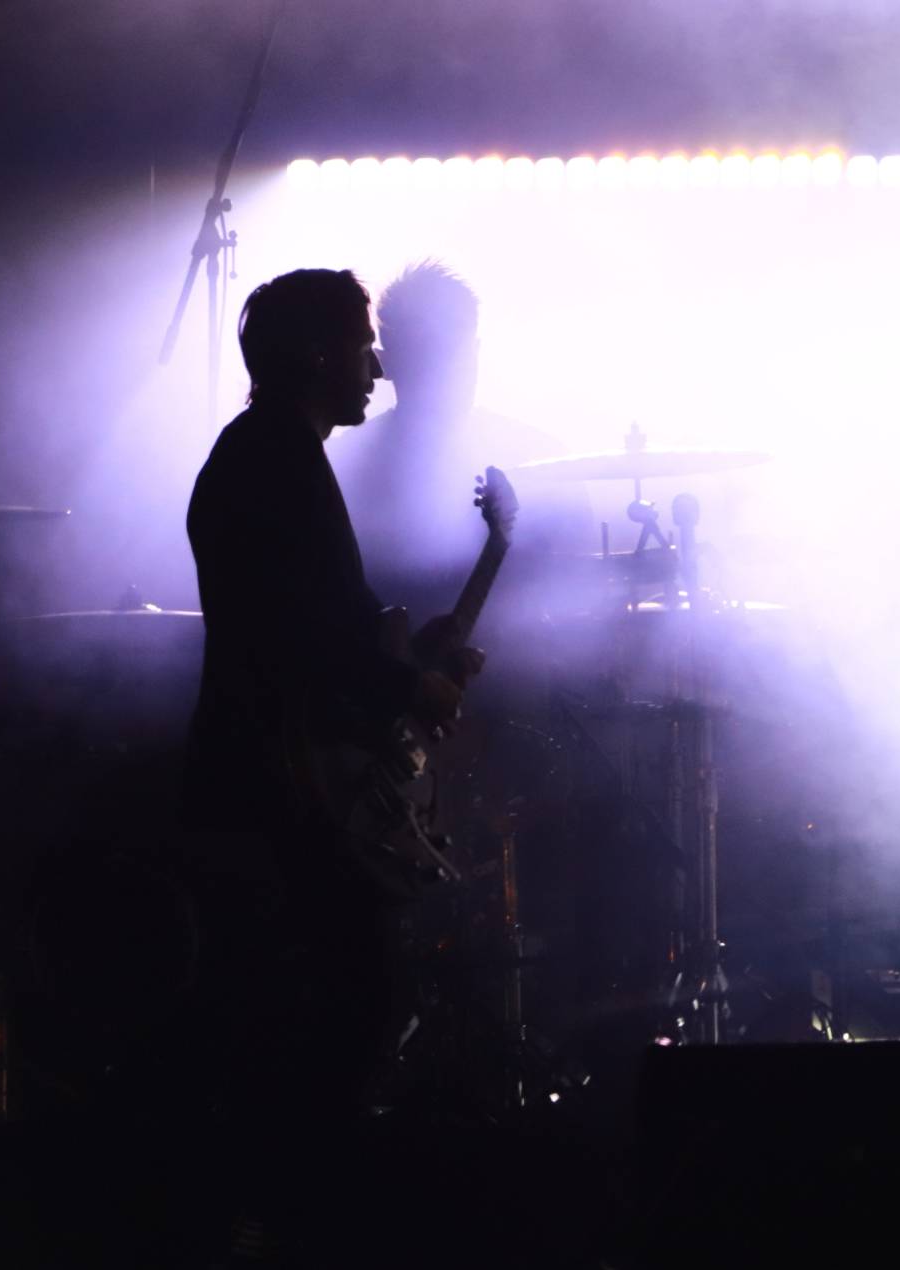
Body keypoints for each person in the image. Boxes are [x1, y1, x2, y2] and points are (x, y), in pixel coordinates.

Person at [180, 268, 480, 1249]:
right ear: (316, 355)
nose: (378, 365)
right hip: (278, 795)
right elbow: (305, 638)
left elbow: (321, 625)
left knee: (321, 1009)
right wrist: (411, 687)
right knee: (342, 1007)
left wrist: (406, 656)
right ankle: (300, 1223)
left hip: (269, 785)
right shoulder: (273, 461)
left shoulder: (270, 454)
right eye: (362, 342)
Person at [330, 260, 590, 615]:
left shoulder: (542, 456)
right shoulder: (343, 471)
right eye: (431, 357)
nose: (448, 374)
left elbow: (580, 586)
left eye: (456, 355)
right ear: (385, 362)